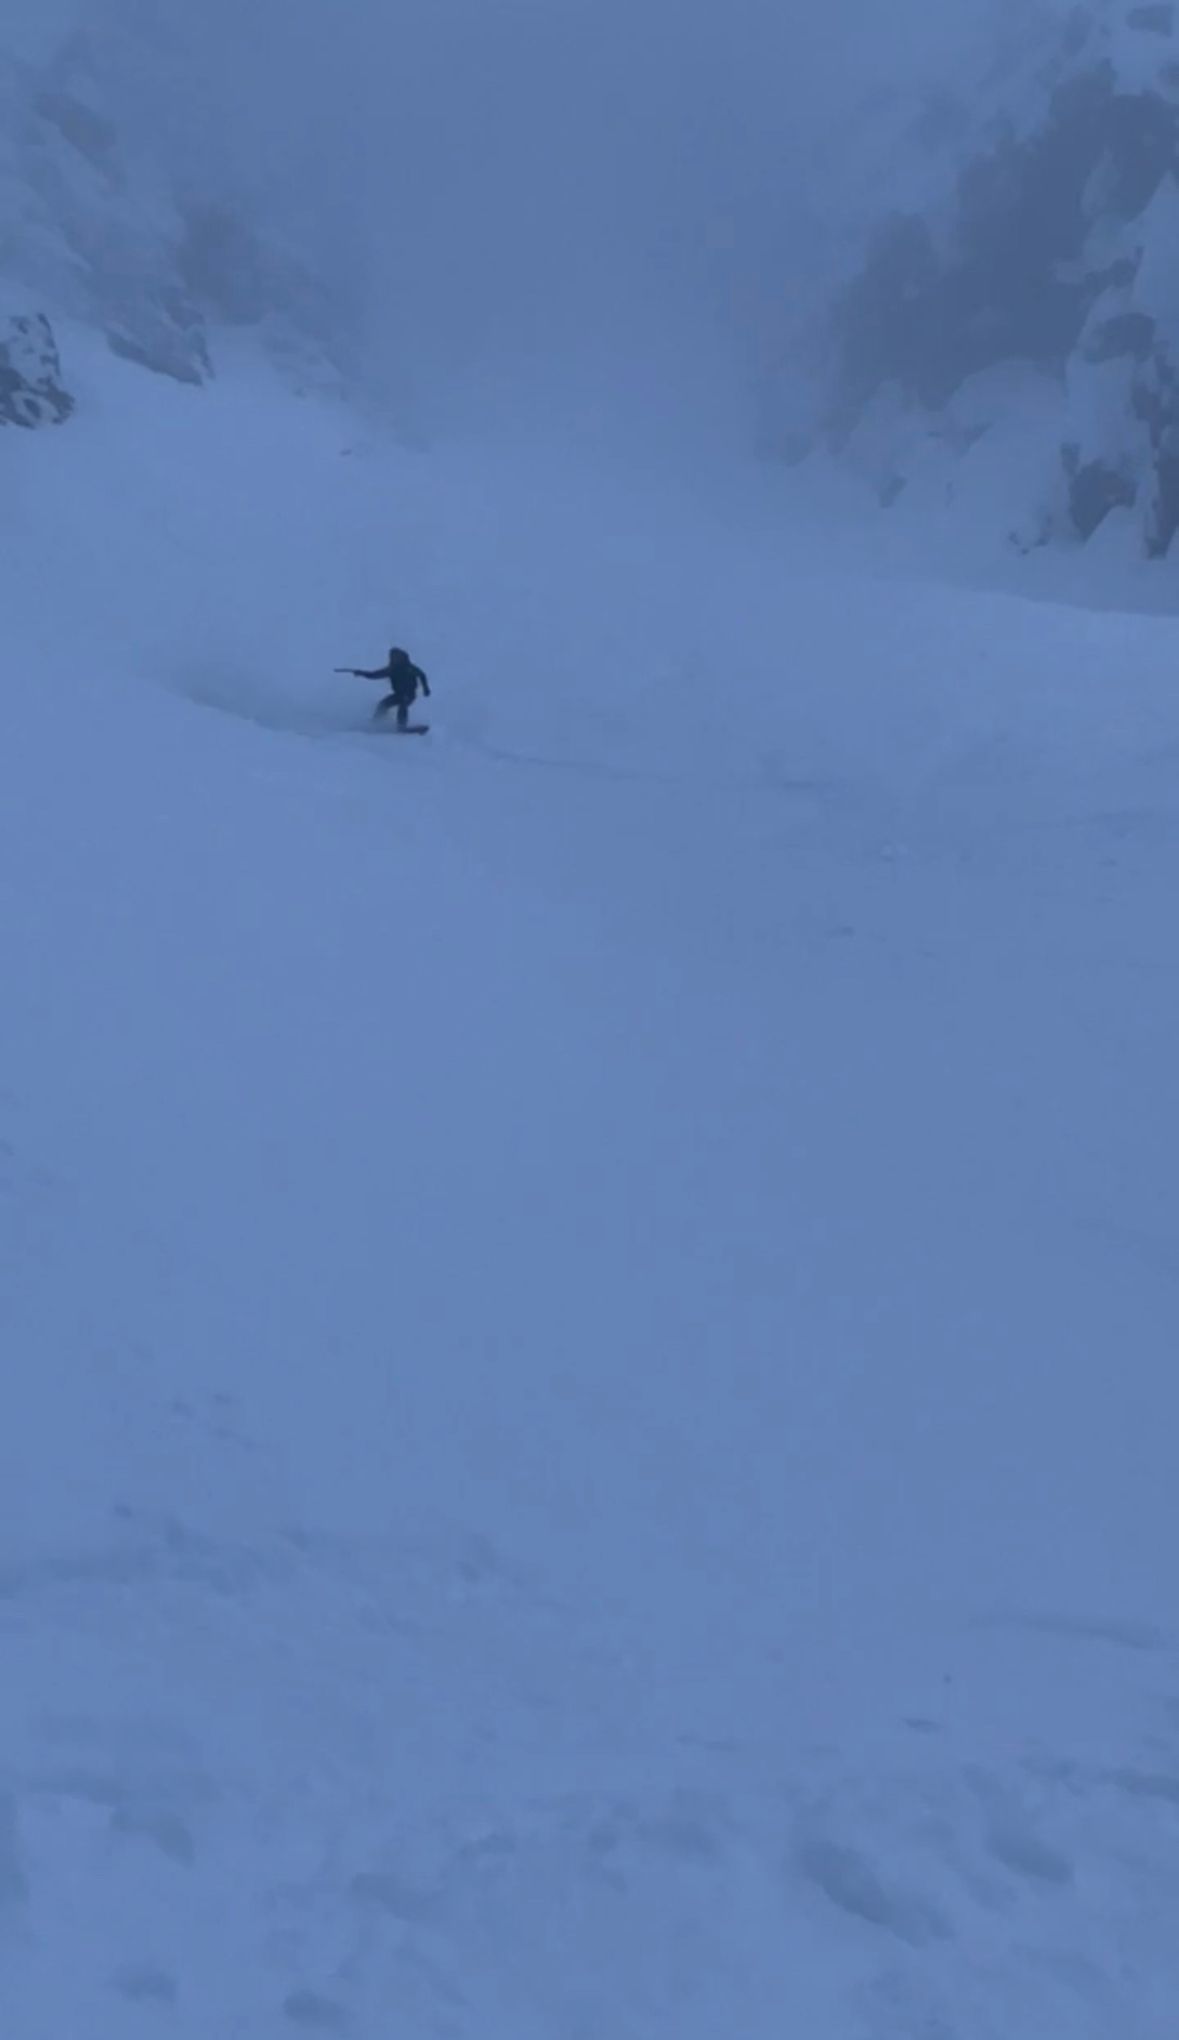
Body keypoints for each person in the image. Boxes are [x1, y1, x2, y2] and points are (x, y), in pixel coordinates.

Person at [342, 647, 431, 729]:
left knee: (403, 704)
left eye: (396, 657)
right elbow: (374, 675)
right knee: (383, 704)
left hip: (409, 694)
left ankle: (402, 726)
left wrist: (426, 688)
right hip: (398, 694)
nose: (394, 659)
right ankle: (376, 722)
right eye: (392, 657)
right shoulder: (391, 669)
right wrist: (361, 673)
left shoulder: (409, 668)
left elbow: (422, 675)